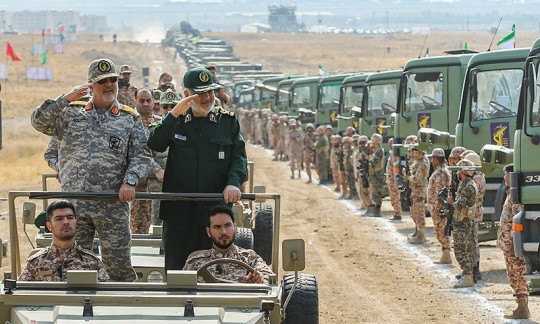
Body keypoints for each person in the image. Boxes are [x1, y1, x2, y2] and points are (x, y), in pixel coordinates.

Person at [31, 58, 151, 282]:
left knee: (119, 269)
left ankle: (118, 313)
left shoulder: (129, 118)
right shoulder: (69, 113)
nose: (109, 85)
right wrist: (65, 99)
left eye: (112, 80)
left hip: (112, 206)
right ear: (90, 85)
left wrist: (131, 180)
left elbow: (141, 156)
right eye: (102, 81)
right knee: (74, 268)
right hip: (75, 208)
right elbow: (38, 122)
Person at [147, 66, 247, 270]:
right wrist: (174, 114)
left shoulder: (227, 122)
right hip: (179, 215)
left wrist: (233, 183)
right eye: (200, 93)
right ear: (186, 95)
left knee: (217, 272)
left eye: (210, 91)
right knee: (177, 273)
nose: (207, 97)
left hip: (215, 215)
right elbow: (155, 143)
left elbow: (239, 158)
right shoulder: (177, 120)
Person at [18, 200, 109, 282]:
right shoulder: (35, 263)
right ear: (49, 226)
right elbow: (21, 296)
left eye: (70, 217)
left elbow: (104, 296)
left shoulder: (92, 262)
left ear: (75, 222)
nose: (66, 222)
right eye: (59, 218)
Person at [183, 205, 274, 283]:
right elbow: (180, 289)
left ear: (234, 227)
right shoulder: (195, 262)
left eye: (227, 225)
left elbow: (271, 280)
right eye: (217, 227)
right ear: (208, 232)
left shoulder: (250, 258)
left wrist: (260, 279)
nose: (223, 232)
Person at [130, 88, 167, 234]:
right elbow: (135, 153)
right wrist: (155, 169)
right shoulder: (128, 123)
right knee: (139, 232)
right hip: (139, 188)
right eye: (141, 101)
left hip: (159, 188)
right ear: (135, 101)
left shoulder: (161, 124)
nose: (145, 104)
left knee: (160, 230)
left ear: (153, 102)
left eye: (148, 100)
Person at [497, 164, 530, 319]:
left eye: (506, 174)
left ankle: (523, 308)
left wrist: (512, 244)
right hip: (508, 242)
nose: (504, 177)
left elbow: (517, 220)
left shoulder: (516, 196)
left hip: (512, 243)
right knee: (513, 273)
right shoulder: (511, 193)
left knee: (517, 273)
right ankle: (521, 306)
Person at [447, 159, 478, 288]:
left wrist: (450, 202)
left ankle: (467, 276)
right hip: (466, 221)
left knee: (460, 249)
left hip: (463, 222)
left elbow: (459, 204)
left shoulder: (468, 186)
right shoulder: (467, 183)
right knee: (468, 248)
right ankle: (468, 275)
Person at [462, 151, 486, 282]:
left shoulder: (476, 179)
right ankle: (473, 269)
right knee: (472, 240)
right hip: (475, 211)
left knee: (472, 241)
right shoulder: (479, 177)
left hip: (473, 212)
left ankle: (475, 270)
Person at [427, 148, 452, 263]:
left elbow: (440, 192)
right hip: (438, 207)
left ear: (437, 159)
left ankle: (446, 255)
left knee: (441, 231)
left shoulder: (440, 173)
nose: (432, 161)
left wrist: (437, 208)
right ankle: (445, 254)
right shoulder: (442, 171)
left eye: (433, 158)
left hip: (439, 208)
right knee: (440, 231)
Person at [407, 146, 429, 243]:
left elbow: (417, 179)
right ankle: (417, 233)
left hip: (419, 190)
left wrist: (407, 177)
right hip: (415, 189)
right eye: (414, 152)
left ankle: (421, 236)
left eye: (417, 153)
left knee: (419, 212)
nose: (415, 154)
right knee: (414, 212)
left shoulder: (423, 164)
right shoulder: (418, 162)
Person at [366, 133, 385, 217]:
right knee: (374, 192)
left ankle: (377, 211)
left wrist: (368, 159)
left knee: (377, 192)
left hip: (377, 175)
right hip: (374, 174)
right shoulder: (375, 151)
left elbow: (374, 162)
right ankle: (375, 210)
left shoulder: (379, 151)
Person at [385, 138, 402, 221]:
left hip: (393, 180)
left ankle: (397, 214)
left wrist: (395, 179)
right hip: (391, 179)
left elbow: (395, 168)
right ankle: (396, 212)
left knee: (395, 197)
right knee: (393, 197)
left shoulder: (394, 154)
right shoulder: (392, 153)